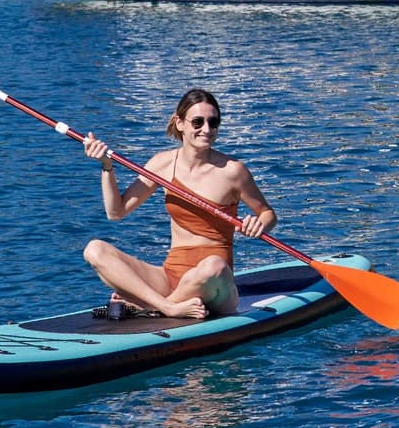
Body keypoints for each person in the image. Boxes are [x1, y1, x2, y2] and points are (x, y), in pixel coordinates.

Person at [80, 88, 277, 319]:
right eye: (197, 122)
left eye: (213, 122)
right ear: (180, 123)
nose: (206, 129)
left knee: (213, 265)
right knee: (95, 250)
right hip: (171, 277)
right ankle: (168, 307)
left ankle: (151, 306)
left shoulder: (233, 171)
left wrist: (259, 224)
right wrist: (106, 166)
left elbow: (268, 214)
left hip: (215, 286)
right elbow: (116, 211)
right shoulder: (162, 164)